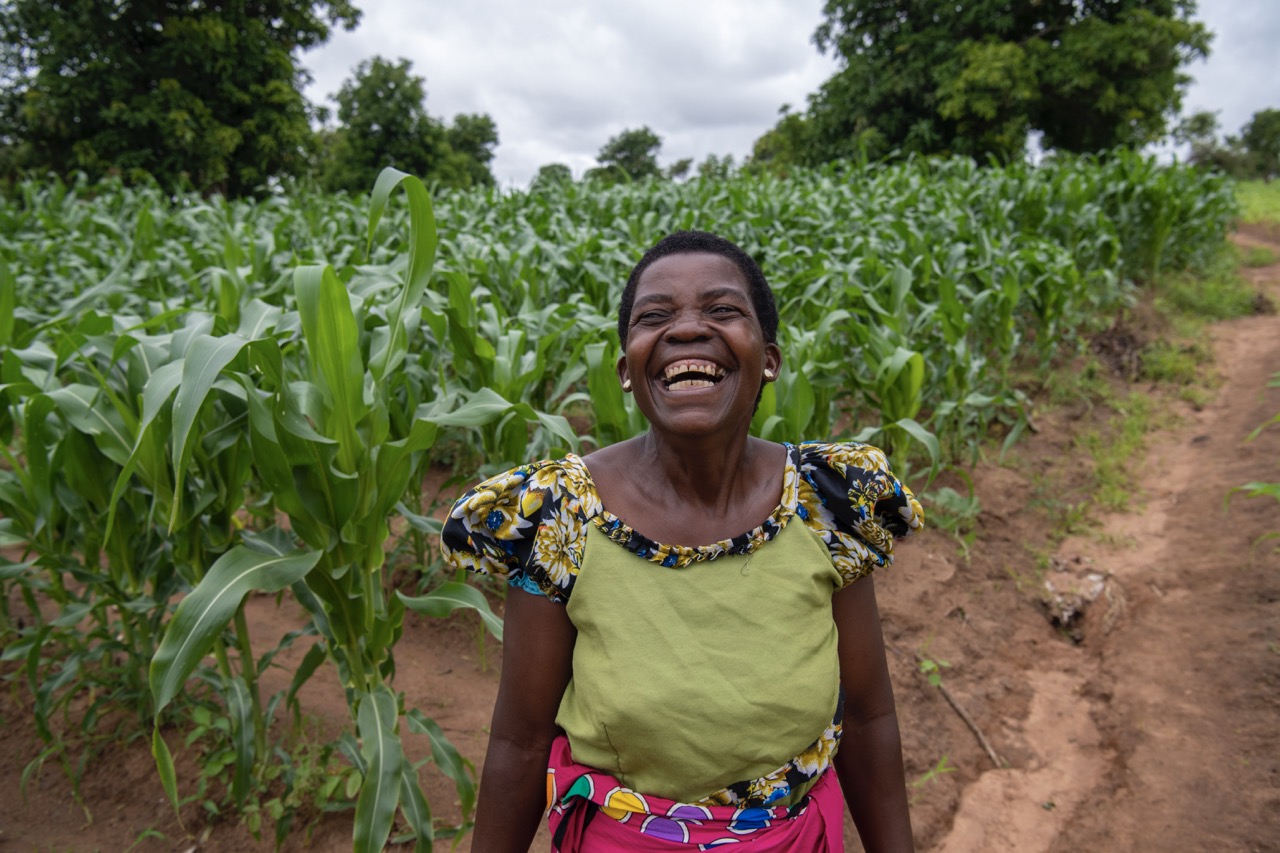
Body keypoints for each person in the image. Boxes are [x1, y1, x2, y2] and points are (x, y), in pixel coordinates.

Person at [442, 230, 924, 852]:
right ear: (625, 369)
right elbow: (520, 740)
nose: (688, 330)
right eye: (655, 316)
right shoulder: (561, 513)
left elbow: (866, 716)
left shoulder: (826, 503)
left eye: (722, 310)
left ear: (770, 359)